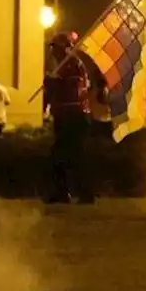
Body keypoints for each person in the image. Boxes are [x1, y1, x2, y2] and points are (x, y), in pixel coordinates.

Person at [44, 32, 94, 204]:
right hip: (65, 115)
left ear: (63, 48)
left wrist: (54, 82)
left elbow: (73, 91)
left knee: (75, 156)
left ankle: (84, 193)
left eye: (55, 47)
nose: (52, 52)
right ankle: (62, 192)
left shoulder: (72, 65)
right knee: (59, 156)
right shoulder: (63, 66)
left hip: (74, 116)